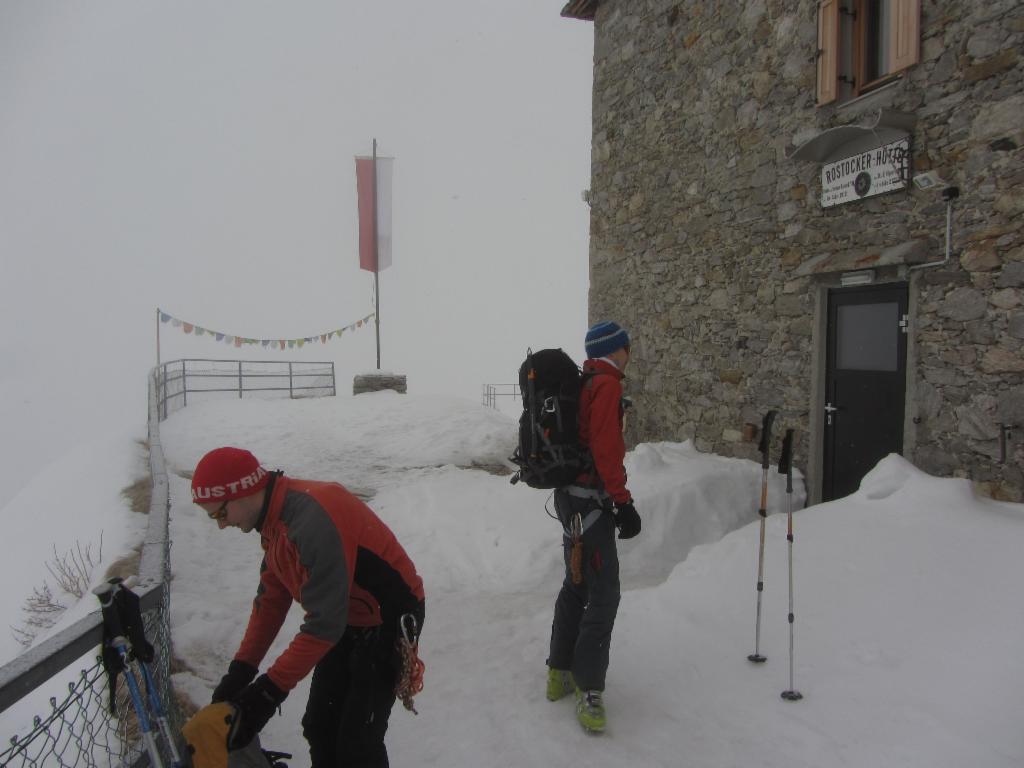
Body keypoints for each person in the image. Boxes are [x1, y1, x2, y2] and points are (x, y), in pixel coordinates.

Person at [191, 447, 425, 768]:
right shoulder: (274, 522)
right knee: (319, 726)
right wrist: (241, 671)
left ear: (243, 492)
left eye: (220, 513)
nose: (221, 525)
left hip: (389, 615)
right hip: (345, 617)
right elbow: (270, 602)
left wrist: (266, 694)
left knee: (358, 740)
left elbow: (323, 626)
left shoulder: (312, 519)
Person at [545, 321, 641, 733]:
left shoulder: (584, 382)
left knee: (576, 583)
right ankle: (589, 689)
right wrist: (623, 502)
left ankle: (558, 672)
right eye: (626, 346)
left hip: (569, 500)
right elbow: (606, 450)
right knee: (604, 594)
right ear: (615, 349)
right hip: (593, 501)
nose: (629, 352)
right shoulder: (606, 386)